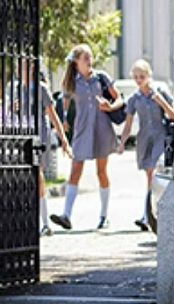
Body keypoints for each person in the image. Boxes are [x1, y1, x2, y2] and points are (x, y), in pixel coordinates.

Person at [50, 44, 123, 231]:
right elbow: (64, 101)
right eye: (85, 58)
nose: (89, 61)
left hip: (101, 129)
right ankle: (66, 215)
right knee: (75, 170)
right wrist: (65, 119)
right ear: (76, 62)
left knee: (101, 172)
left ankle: (104, 216)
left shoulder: (101, 78)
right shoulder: (71, 82)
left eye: (90, 57)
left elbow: (119, 98)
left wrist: (111, 107)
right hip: (82, 130)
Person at [116, 59, 174, 232]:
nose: (139, 80)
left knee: (155, 176)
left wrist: (161, 101)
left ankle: (148, 215)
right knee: (149, 178)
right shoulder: (134, 98)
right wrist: (122, 143)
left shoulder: (160, 92)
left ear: (149, 75)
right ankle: (147, 215)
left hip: (160, 137)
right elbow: (127, 124)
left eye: (142, 76)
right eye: (135, 77)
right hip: (144, 140)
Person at [35, 68, 72, 237]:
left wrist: (63, 139)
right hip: (21, 135)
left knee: (38, 174)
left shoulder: (41, 88)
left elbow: (52, 114)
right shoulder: (16, 87)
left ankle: (44, 223)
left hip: (39, 136)